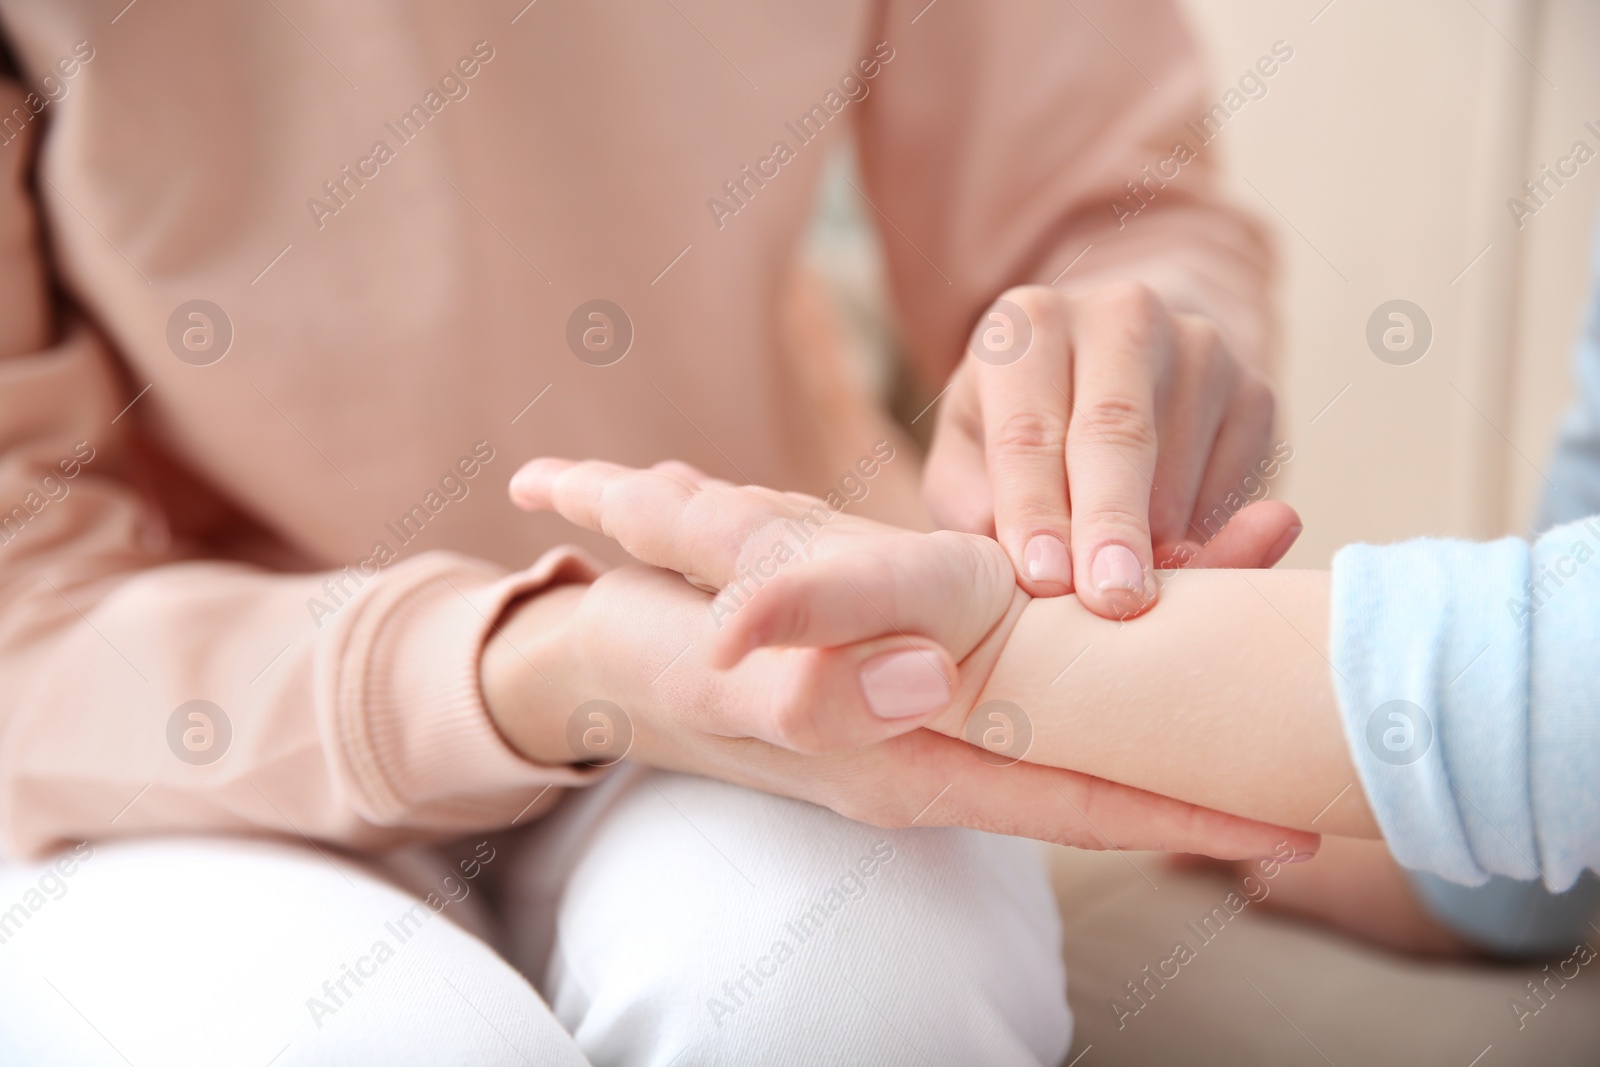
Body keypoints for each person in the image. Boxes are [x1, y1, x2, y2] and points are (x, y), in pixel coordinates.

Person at [0, 3, 1298, 1063]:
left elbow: (1110, 206)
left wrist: (1117, 361)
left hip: (748, 638)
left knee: (864, 1014)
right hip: (158, 733)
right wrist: (546, 667)